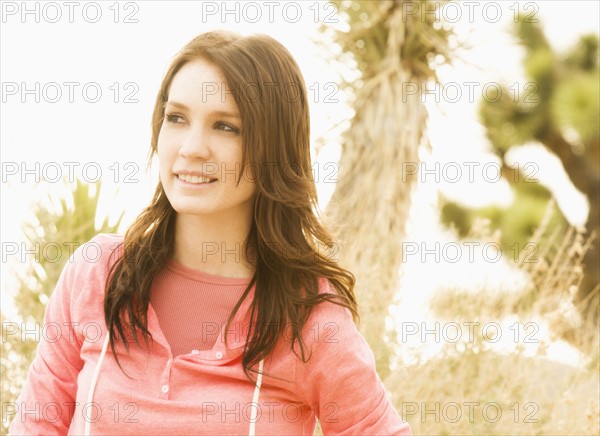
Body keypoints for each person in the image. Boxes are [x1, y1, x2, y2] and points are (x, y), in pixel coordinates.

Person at [9, 30, 412, 435]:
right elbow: (36, 425)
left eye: (226, 127)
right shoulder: (98, 274)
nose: (192, 147)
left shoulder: (308, 315)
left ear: (273, 148)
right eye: (177, 118)